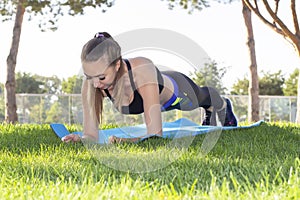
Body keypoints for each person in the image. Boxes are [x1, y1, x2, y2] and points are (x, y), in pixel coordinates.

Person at [62, 32, 238, 143]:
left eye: (101, 77)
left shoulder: (142, 69)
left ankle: (222, 104)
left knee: (201, 98)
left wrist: (128, 141)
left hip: (177, 92)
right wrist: (81, 139)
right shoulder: (92, 82)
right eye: (89, 77)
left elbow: (155, 135)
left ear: (117, 65)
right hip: (160, 96)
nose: (95, 84)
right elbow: (91, 135)